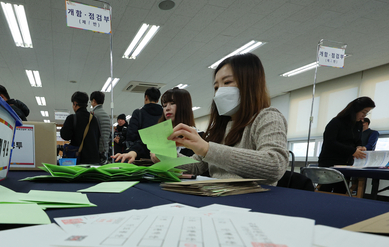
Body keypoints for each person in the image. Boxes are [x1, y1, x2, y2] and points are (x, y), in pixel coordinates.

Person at [163, 53, 289, 186]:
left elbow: (275, 166)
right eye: (216, 87)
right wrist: (168, 157)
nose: (219, 93)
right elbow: (196, 167)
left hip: (251, 200)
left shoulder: (268, 117)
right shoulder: (221, 128)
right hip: (217, 196)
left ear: (250, 83)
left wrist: (207, 149)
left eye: (227, 82)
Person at [318, 97, 375, 193]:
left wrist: (359, 147)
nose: (364, 116)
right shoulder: (336, 122)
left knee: (341, 191)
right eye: (364, 112)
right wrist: (352, 151)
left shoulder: (358, 125)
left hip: (346, 164)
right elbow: (330, 142)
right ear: (356, 109)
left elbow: (357, 141)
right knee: (326, 190)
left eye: (367, 113)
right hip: (330, 163)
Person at [113, 87, 162, 163]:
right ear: (158, 100)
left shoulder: (138, 113)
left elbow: (131, 135)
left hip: (139, 154)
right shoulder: (164, 114)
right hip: (159, 155)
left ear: (146, 97)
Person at [60, 91, 100, 165]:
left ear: (75, 103)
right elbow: (98, 137)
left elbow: (65, 136)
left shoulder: (72, 118)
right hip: (93, 159)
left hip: (77, 159)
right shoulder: (93, 118)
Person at [90, 91, 111, 164]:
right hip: (105, 148)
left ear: (94, 101)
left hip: (97, 148)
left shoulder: (94, 114)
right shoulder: (107, 115)